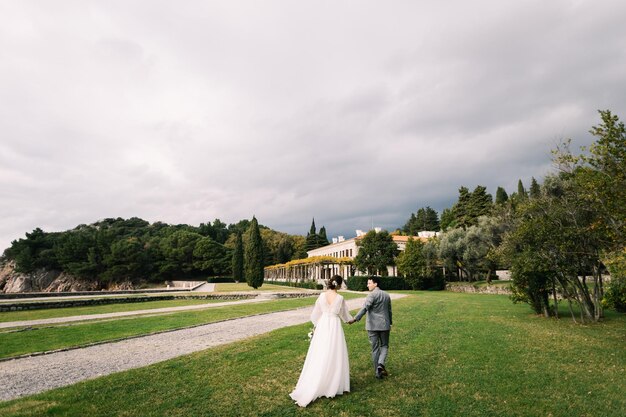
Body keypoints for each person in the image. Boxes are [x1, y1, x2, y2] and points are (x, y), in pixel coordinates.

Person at [289, 275, 353, 407]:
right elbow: (345, 315)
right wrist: (351, 320)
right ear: (339, 285)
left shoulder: (322, 296)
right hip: (334, 326)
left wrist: (317, 325)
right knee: (334, 352)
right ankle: (332, 383)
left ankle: (318, 379)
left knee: (320, 352)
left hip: (323, 325)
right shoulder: (340, 298)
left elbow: (315, 314)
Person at [349, 276, 392, 379]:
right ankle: (380, 364)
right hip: (384, 325)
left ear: (375, 284)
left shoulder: (371, 295)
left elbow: (365, 308)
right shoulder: (386, 295)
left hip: (372, 326)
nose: (367, 285)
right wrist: (390, 322)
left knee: (375, 349)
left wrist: (355, 318)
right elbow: (389, 311)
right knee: (385, 346)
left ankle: (378, 372)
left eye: (369, 283)